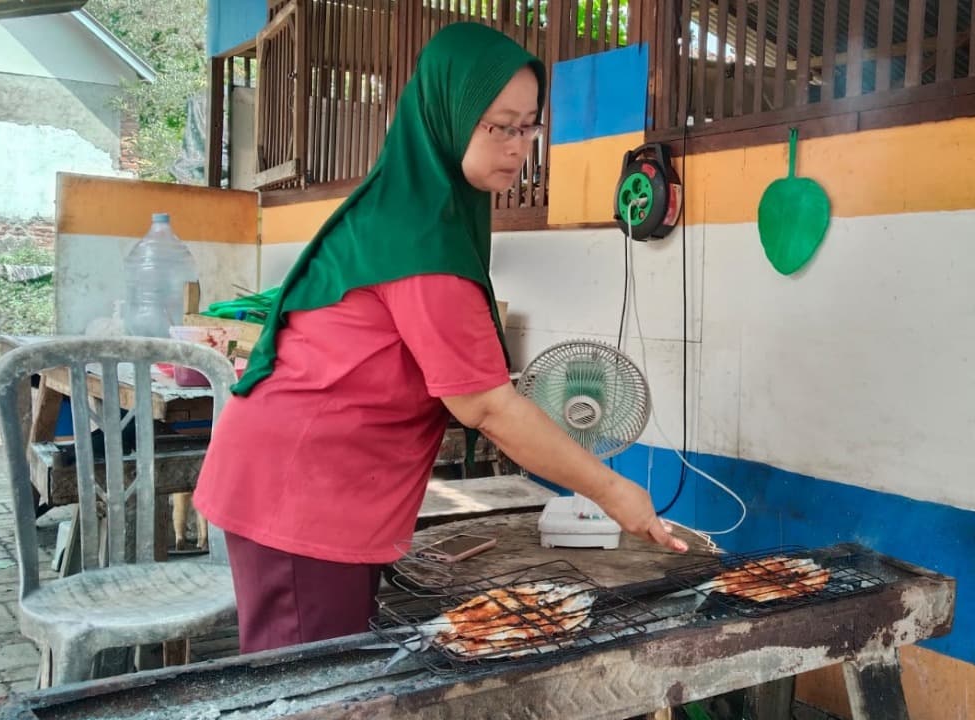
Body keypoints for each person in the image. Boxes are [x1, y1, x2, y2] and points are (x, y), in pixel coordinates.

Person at [192, 22, 686, 655]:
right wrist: (615, 492)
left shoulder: (424, 205)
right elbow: (484, 406)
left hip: (319, 482)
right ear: (448, 115)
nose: (518, 146)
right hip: (303, 489)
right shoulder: (420, 238)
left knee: (334, 675)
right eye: (499, 125)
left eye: (529, 125)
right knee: (311, 688)